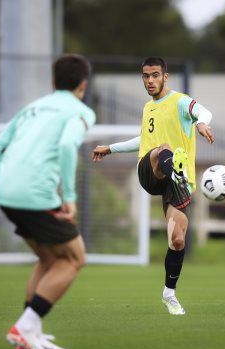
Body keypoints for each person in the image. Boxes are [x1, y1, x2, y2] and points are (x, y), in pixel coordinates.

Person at [0, 54, 96, 349]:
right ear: (83, 84)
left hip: (6, 193)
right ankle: (25, 326)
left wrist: (9, 186)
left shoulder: (30, 109)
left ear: (53, 82)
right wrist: (69, 196)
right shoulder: (81, 111)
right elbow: (66, 146)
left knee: (47, 258)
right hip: (36, 196)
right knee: (74, 259)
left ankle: (31, 335)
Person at [92, 56, 214, 315]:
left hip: (177, 182)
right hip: (150, 170)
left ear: (165, 76)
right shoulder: (148, 108)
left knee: (178, 240)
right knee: (163, 149)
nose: (149, 81)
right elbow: (146, 142)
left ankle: (169, 293)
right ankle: (175, 172)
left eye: (155, 75)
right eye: (145, 76)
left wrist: (201, 122)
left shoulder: (179, 101)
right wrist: (111, 149)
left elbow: (203, 111)